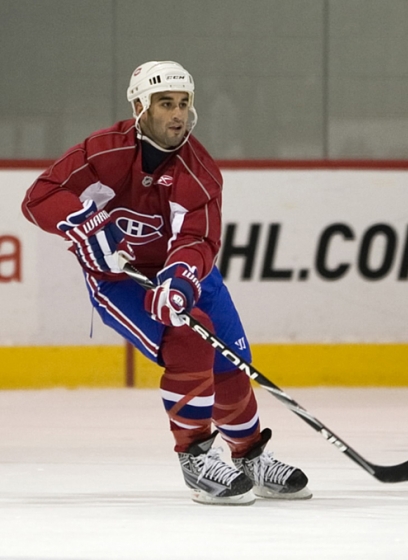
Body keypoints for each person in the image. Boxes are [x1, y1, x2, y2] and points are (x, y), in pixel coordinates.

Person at [22, 61, 312, 505]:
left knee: (230, 360)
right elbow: (40, 196)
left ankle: (249, 454)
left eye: (182, 104)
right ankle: (196, 458)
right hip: (119, 280)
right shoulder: (103, 152)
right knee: (187, 337)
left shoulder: (200, 170)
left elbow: (198, 238)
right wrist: (82, 223)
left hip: (183, 273)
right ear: (140, 107)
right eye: (164, 104)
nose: (176, 114)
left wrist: (178, 278)